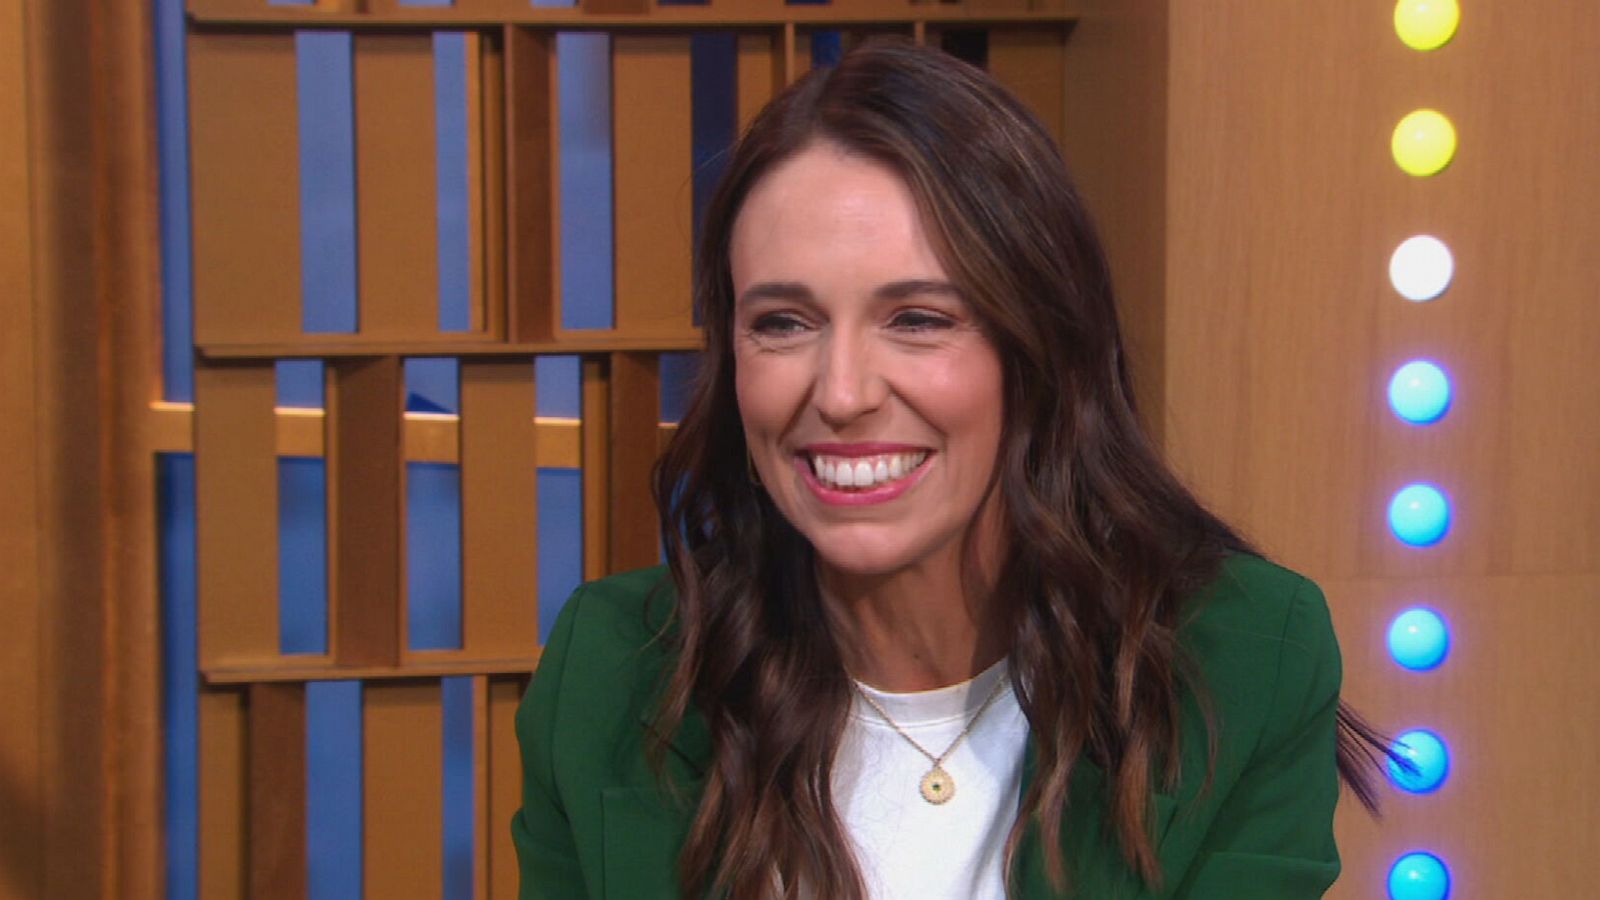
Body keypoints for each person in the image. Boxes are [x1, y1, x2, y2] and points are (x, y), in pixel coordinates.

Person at [512, 40, 1384, 899]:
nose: (843, 393)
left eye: (920, 318)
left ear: (1038, 347)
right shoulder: (611, 672)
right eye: (783, 323)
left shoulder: (1241, 659)